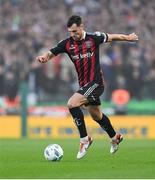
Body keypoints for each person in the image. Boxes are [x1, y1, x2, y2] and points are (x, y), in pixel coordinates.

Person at [36, 15, 138, 159]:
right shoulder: (66, 43)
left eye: (75, 31)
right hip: (84, 85)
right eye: (70, 32)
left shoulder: (93, 38)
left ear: (82, 26)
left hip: (96, 83)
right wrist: (44, 57)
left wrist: (128, 37)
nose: (73, 34)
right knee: (96, 115)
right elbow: (52, 52)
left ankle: (84, 140)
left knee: (71, 104)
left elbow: (112, 37)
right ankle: (115, 137)